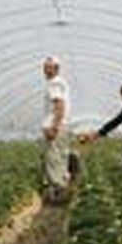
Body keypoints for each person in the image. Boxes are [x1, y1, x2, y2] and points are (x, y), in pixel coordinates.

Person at [39, 56, 73, 200]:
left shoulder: (54, 83)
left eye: (49, 67)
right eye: (44, 67)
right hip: (63, 126)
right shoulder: (61, 83)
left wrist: (54, 127)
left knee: (53, 158)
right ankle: (63, 186)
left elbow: (59, 106)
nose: (45, 70)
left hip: (55, 127)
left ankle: (58, 191)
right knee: (61, 157)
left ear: (56, 69)